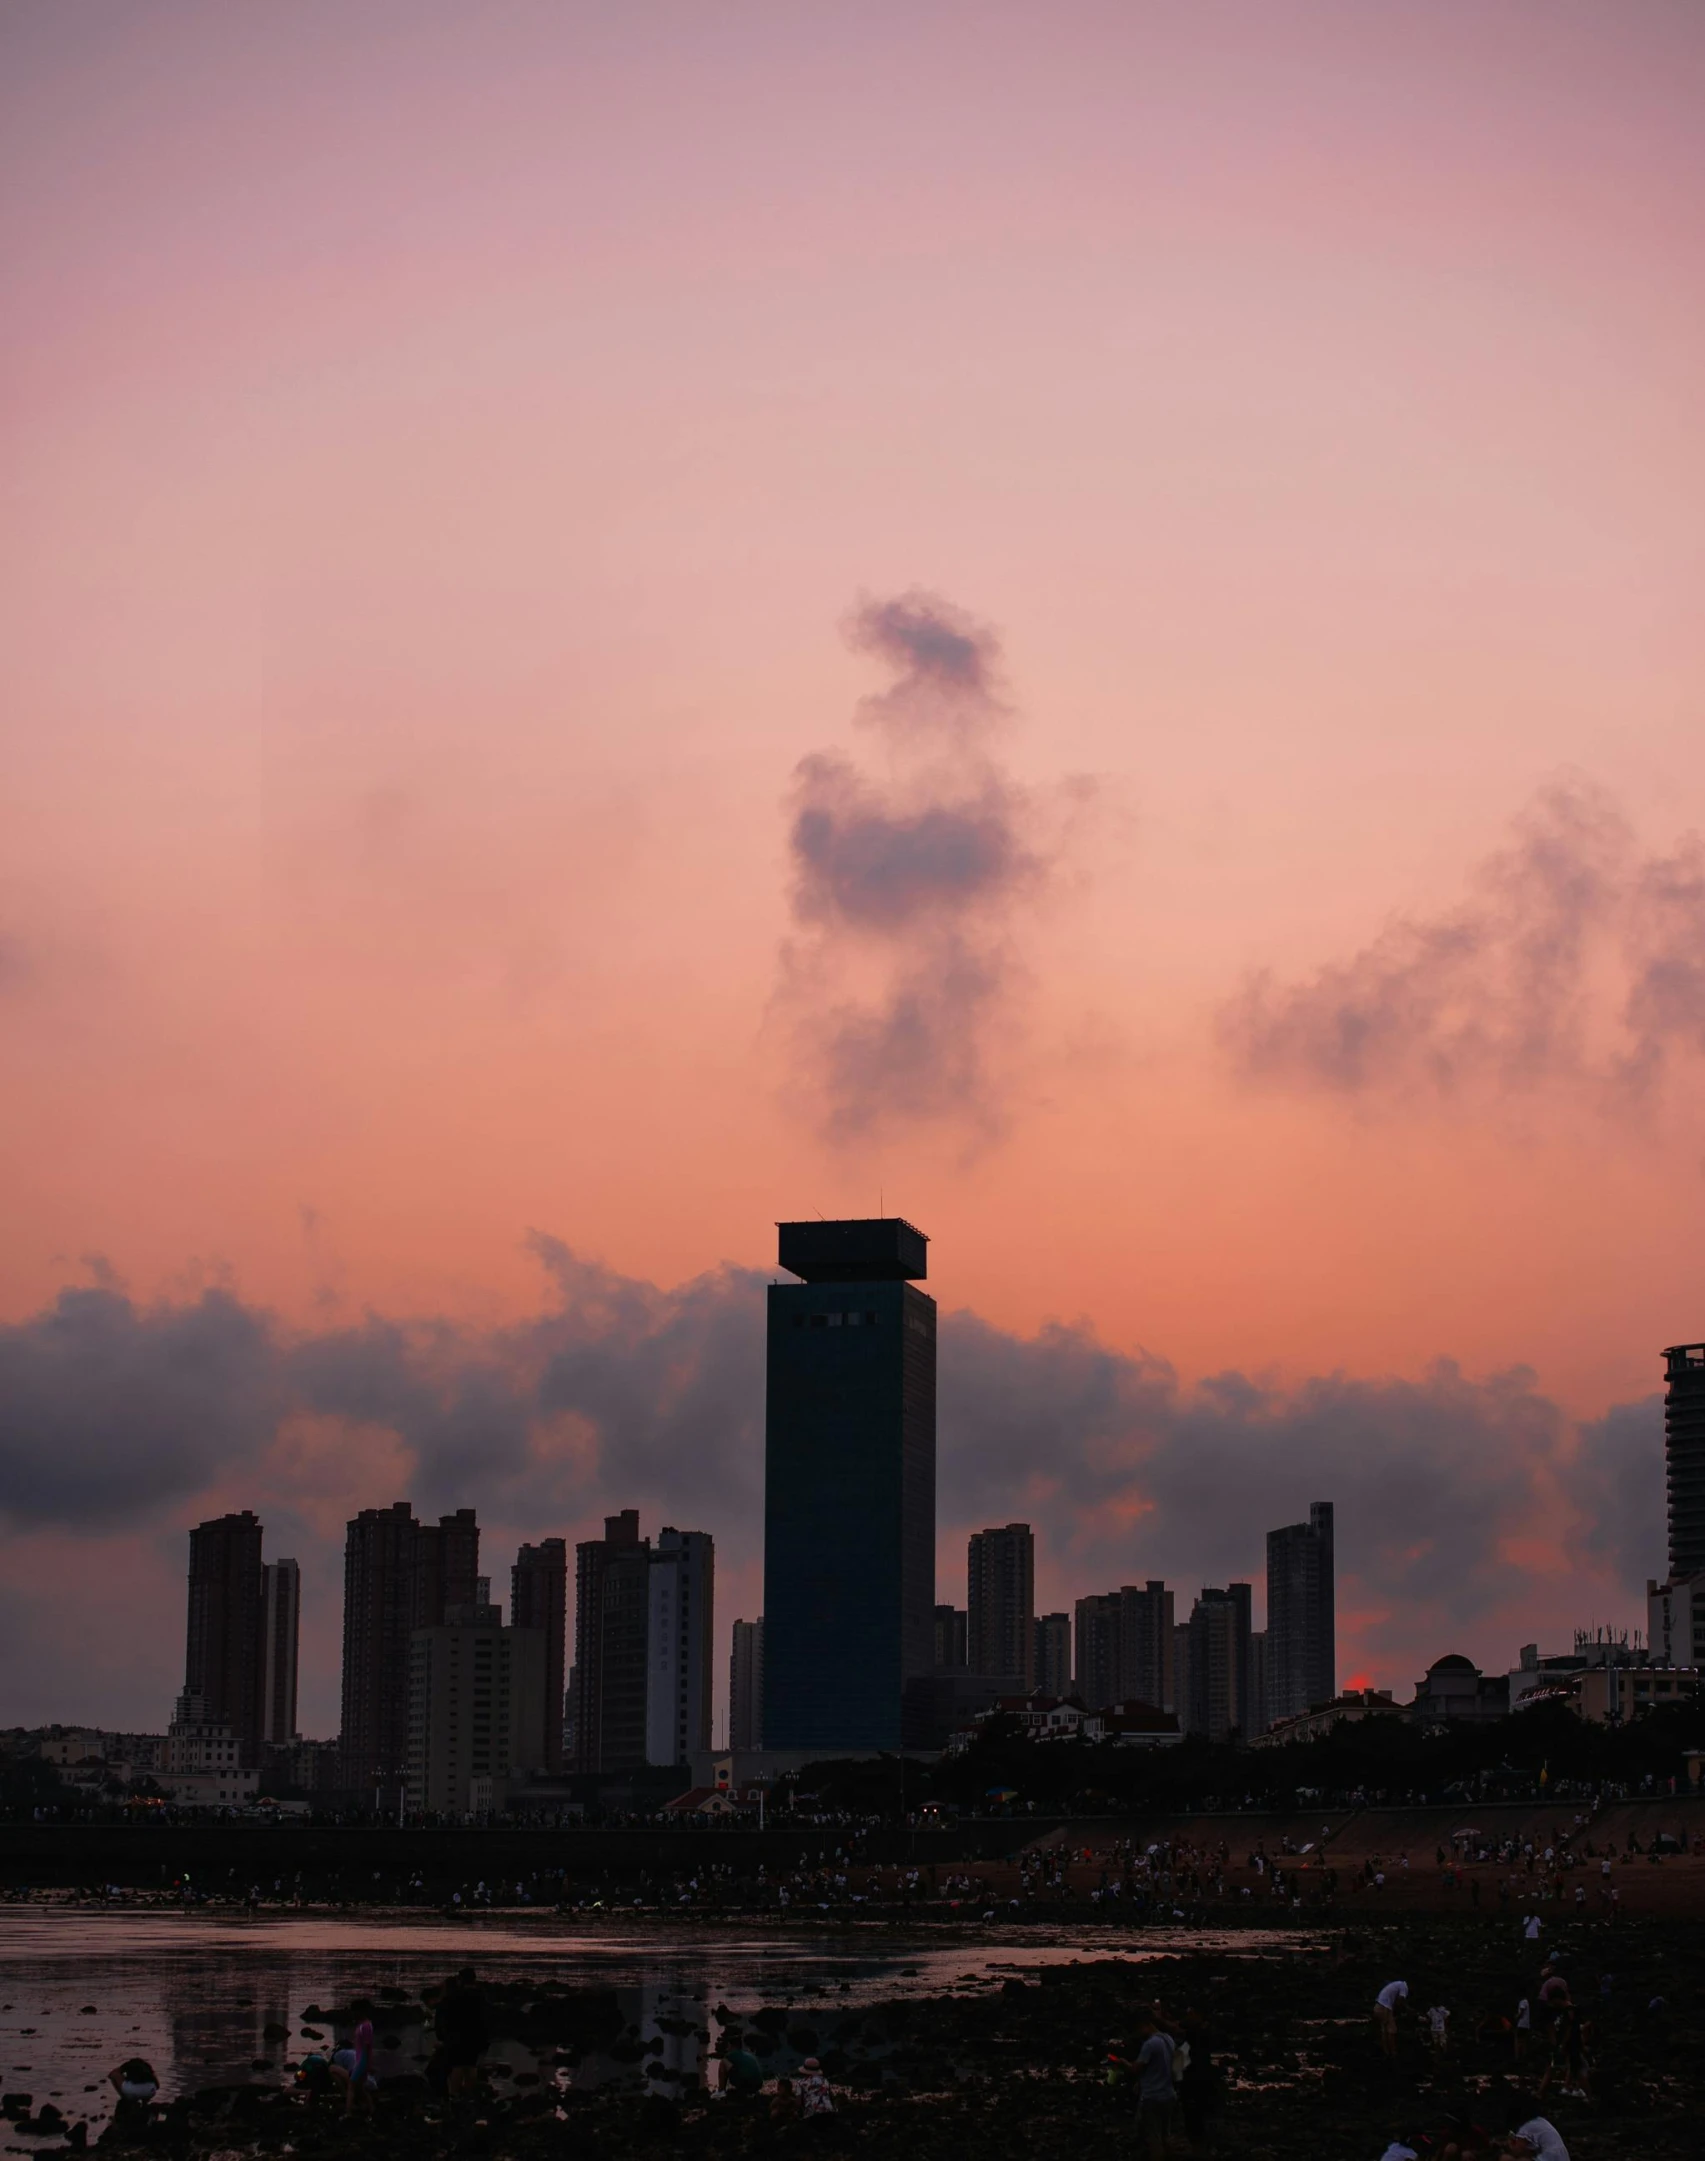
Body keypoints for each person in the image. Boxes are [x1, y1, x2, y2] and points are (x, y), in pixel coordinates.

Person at [433, 1967, 489, 2101]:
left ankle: (454, 2095)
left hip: (456, 2036)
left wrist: (442, 2035)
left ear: (460, 1980)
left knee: (457, 2066)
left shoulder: (453, 1996)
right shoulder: (480, 1996)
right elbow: (486, 2017)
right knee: (471, 2065)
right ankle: (469, 2095)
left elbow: (442, 2014)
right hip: (475, 2036)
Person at [1131, 2011, 1178, 2160]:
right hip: (1169, 2094)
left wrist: (1121, 2063)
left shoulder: (1150, 2044)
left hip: (1152, 2097)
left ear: (1146, 2026)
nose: (1139, 2034)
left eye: (1139, 2029)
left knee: (1153, 2138)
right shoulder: (1169, 2039)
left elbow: (1135, 2068)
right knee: (1166, 2135)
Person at [330, 2019, 377, 2116]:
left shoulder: (339, 2054)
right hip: (371, 2083)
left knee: (332, 2069)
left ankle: (347, 2105)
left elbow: (337, 2070)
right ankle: (369, 2108)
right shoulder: (356, 2053)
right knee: (358, 2086)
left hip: (359, 2079)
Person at [1374, 1979, 1408, 2059]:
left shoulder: (1396, 1984)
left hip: (1378, 2005)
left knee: (1384, 2029)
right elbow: (1400, 1999)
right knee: (1391, 2030)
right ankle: (1393, 2053)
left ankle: (1385, 2052)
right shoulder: (1404, 1986)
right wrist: (1401, 2010)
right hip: (1384, 2007)